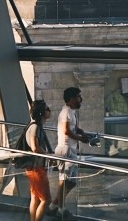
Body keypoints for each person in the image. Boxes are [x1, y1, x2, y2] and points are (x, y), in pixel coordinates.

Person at [48, 87, 89, 220]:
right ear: (71, 99)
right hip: (65, 150)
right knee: (64, 180)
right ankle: (60, 208)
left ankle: (54, 205)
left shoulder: (71, 112)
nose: (80, 99)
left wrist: (80, 131)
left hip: (70, 150)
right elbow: (66, 131)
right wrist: (80, 138)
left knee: (71, 181)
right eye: (78, 97)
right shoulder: (66, 112)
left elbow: (72, 128)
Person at [25, 99, 54, 221]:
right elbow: (35, 147)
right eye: (47, 109)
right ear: (41, 113)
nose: (49, 111)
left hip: (33, 167)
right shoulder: (35, 127)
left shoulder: (35, 126)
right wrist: (48, 155)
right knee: (46, 200)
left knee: (35, 198)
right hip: (36, 168)